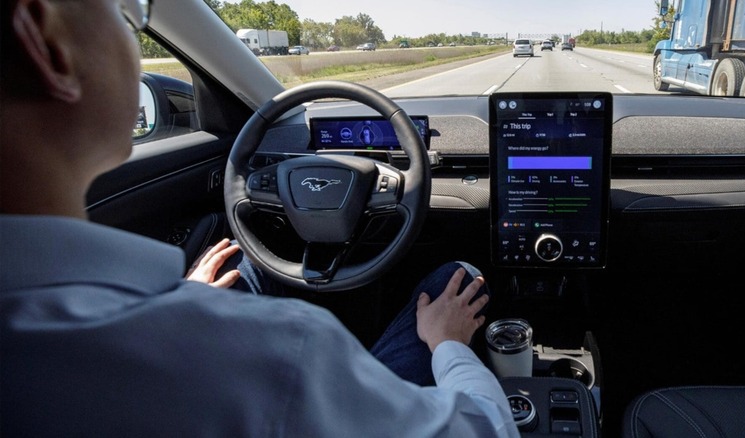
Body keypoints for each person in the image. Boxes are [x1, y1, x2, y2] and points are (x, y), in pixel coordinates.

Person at [0, 0, 519, 436]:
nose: (134, 43)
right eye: (127, 13)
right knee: (458, 278)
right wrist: (448, 346)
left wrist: (186, 302)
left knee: (248, 270)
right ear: (46, 42)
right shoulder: (281, 353)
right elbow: (487, 428)